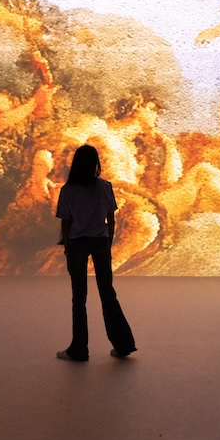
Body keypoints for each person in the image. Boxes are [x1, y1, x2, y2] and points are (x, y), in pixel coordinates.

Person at [55, 145, 136, 361]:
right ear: (95, 164)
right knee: (107, 292)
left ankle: (79, 349)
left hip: (77, 243)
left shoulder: (68, 190)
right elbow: (111, 218)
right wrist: (108, 241)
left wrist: (67, 247)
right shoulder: (105, 187)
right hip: (100, 241)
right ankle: (123, 345)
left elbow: (66, 222)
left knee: (79, 296)